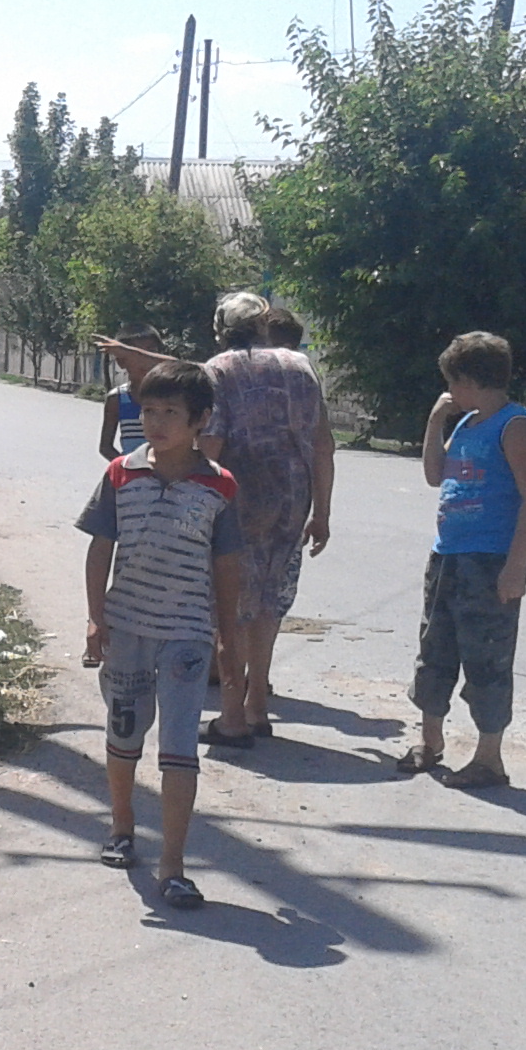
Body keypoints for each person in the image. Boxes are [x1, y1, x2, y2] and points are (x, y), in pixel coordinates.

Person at [78, 358, 244, 909]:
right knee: (124, 733)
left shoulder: (219, 486)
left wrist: (227, 639)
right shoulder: (120, 474)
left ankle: (173, 865)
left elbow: (227, 567)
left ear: (200, 420)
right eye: (149, 411)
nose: (157, 423)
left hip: (187, 636)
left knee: (178, 747)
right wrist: (96, 617)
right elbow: (100, 547)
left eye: (171, 412)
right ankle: (121, 826)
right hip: (127, 628)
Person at [400, 331, 526, 789]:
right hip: (448, 554)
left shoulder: (514, 425)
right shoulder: (466, 422)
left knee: (487, 657)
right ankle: (430, 740)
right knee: (435, 649)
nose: (448, 391)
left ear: (469, 380)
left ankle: (489, 758)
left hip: (491, 560)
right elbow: (434, 475)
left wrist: (515, 566)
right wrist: (435, 422)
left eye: (452, 382)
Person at [197, 291, 334, 746]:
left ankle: (231, 716)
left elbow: (211, 444)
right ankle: (258, 705)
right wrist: (322, 511)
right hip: (292, 497)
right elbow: (323, 443)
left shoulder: (217, 369)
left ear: (221, 329)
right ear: (262, 323)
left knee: (230, 607)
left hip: (237, 497)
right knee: (269, 601)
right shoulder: (301, 365)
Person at [97, 325, 168, 460]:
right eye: (136, 354)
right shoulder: (117, 398)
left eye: (151, 353)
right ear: (121, 362)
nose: (145, 361)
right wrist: (127, 467)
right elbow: (105, 447)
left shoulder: (175, 395)